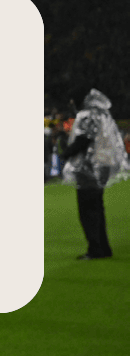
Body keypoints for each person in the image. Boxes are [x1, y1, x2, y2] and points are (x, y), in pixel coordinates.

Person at [63, 89, 125, 259]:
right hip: (102, 165)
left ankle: (95, 249)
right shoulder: (102, 115)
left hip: (88, 167)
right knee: (97, 209)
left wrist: (66, 154)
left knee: (88, 210)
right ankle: (103, 248)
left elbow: (83, 139)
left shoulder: (86, 115)